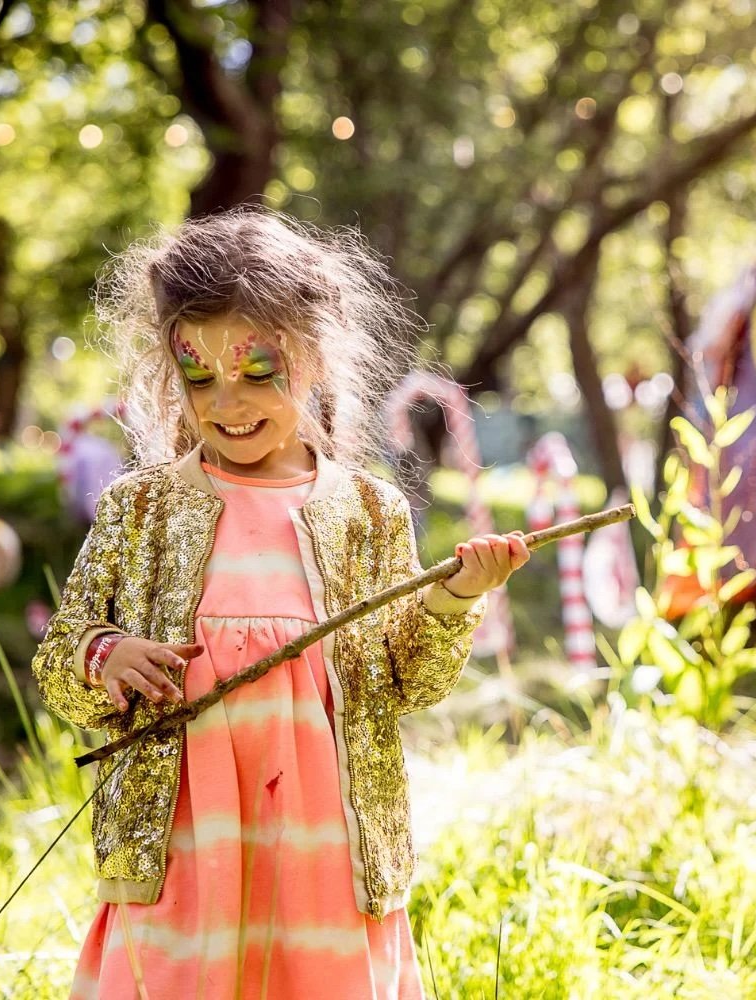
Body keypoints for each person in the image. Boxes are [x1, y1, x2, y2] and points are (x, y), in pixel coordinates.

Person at [31, 208, 530, 999]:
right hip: (186, 841)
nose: (226, 401)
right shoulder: (144, 509)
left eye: (257, 370)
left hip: (322, 841)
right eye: (199, 375)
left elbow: (407, 684)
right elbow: (60, 665)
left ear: (316, 358)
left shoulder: (366, 511)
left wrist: (455, 599)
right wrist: (108, 654)